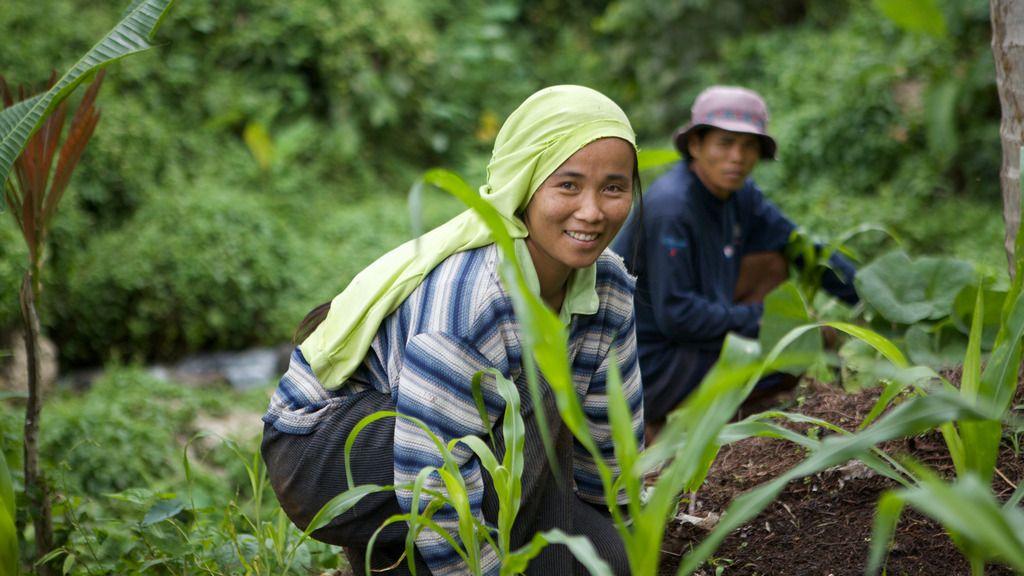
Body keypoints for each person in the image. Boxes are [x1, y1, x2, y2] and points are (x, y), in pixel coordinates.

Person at [261, 85, 643, 576]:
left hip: (472, 446)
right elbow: (432, 477)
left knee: (611, 562)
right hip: (327, 451)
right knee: (529, 391)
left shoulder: (608, 285)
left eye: (613, 188)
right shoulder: (476, 296)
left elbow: (609, 431)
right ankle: (389, 559)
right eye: (567, 186)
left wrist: (629, 533)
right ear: (525, 185)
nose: (592, 211)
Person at [611, 85, 858, 433]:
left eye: (748, 146)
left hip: (690, 333)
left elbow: (802, 248)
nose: (737, 157)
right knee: (795, 348)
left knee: (773, 263)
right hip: (644, 364)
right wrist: (771, 319)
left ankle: (726, 408)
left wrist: (868, 298)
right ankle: (676, 424)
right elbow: (677, 316)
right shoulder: (673, 207)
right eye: (725, 143)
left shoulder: (740, 195)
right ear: (696, 146)